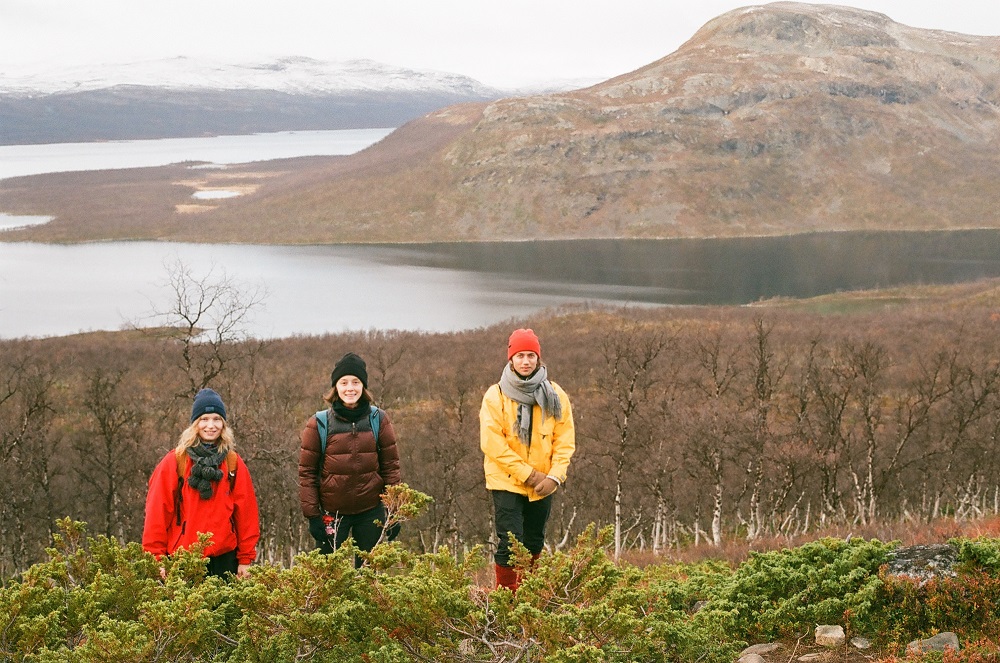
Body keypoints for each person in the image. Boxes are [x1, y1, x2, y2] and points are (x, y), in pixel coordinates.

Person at [480, 328, 576, 592]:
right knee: (510, 543)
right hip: (507, 481)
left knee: (534, 542)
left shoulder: (555, 395)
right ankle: (505, 601)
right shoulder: (495, 395)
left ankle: (528, 599)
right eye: (520, 355)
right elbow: (492, 444)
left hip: (544, 484)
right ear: (511, 359)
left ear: (538, 358)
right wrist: (529, 475)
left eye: (530, 355)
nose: (525, 361)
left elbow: (564, 440)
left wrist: (555, 477)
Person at [143, 388, 260, 578]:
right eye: (204, 419)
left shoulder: (232, 462)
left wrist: (245, 559)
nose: (211, 425)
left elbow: (246, 514)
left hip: (224, 560)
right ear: (195, 424)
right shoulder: (175, 462)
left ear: (223, 424)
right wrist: (155, 558)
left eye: (216, 419)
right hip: (182, 560)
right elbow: (157, 512)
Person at [298, 352, 402, 565]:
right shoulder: (319, 423)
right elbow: (307, 473)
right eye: (343, 382)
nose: (350, 388)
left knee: (367, 575)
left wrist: (394, 512)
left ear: (363, 386)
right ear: (335, 387)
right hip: (332, 513)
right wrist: (313, 516)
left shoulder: (378, 419)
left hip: (370, 510)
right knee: (327, 577)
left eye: (356, 382)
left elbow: (391, 467)